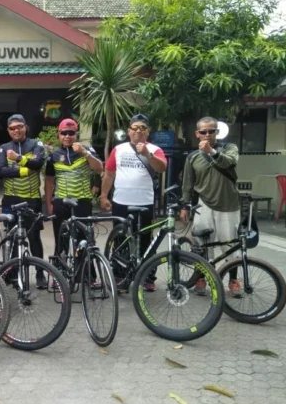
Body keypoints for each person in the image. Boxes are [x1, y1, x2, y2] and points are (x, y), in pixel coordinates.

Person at [101, 113, 167, 292]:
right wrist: (103, 195)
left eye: (142, 128)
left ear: (148, 131)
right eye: (135, 128)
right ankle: (121, 276)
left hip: (144, 202)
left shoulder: (154, 149)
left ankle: (147, 276)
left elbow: (162, 167)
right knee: (121, 238)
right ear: (128, 131)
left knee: (146, 238)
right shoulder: (119, 149)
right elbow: (109, 173)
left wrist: (147, 155)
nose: (138, 131)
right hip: (121, 201)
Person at [180, 117, 241, 297]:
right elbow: (187, 184)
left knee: (230, 244)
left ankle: (233, 280)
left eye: (211, 131)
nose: (207, 134)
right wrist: (184, 206)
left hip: (229, 205)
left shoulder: (229, 149)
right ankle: (202, 278)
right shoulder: (192, 157)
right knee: (202, 245)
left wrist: (211, 152)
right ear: (197, 134)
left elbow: (229, 163)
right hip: (204, 204)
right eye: (203, 132)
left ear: (217, 132)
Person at [0, 114, 47, 288]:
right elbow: (0, 170)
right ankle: (13, 273)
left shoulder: (36, 144)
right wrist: (24, 170)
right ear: (8, 130)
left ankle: (40, 273)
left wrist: (18, 159)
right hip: (11, 199)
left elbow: (38, 163)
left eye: (19, 126)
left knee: (34, 237)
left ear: (26, 127)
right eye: (12, 128)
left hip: (31, 199)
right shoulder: (4, 148)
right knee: (12, 236)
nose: (16, 130)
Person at [45, 118, 103, 256]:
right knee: (61, 240)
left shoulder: (87, 150)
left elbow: (99, 168)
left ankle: (84, 275)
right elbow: (49, 180)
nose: (67, 136)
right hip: (61, 202)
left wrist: (85, 153)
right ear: (58, 135)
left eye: (71, 133)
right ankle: (59, 274)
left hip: (82, 201)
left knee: (83, 241)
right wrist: (48, 202)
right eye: (64, 133)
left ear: (76, 134)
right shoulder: (54, 155)